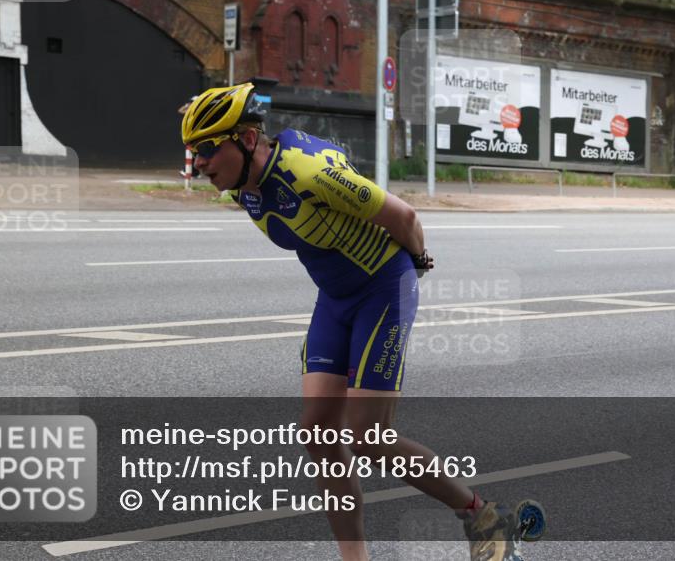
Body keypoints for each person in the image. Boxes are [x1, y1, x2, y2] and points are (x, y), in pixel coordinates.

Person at [181, 82, 526, 561]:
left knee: (368, 437)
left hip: (382, 288)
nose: (198, 164)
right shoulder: (244, 190)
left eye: (205, 150)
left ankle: (484, 516)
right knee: (319, 432)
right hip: (336, 298)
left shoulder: (308, 172)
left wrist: (418, 266)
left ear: (244, 138)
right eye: (192, 153)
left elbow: (403, 216)